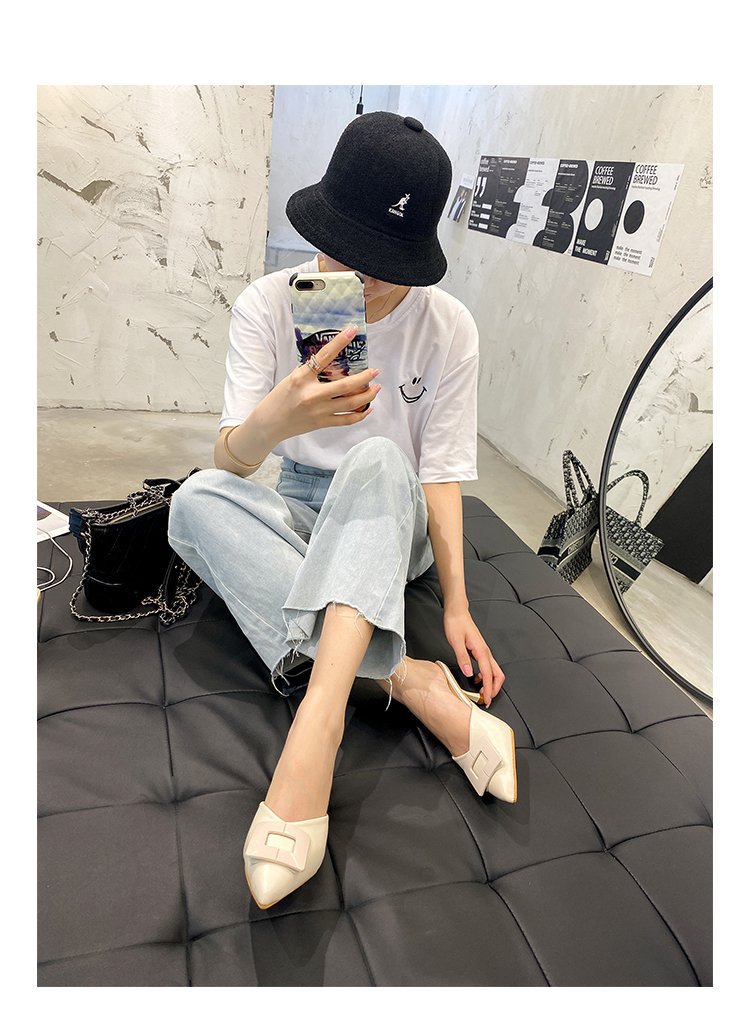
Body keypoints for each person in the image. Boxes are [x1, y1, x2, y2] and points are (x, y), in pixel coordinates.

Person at [168, 111, 517, 911]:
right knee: (194, 502)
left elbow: (440, 474)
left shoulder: (449, 328)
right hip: (300, 503)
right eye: (341, 249)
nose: (358, 276)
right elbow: (233, 462)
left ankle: (315, 732)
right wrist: (276, 420)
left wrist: (456, 605)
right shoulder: (267, 304)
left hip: (393, 518)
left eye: (383, 264)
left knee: (380, 457)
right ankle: (406, 679)